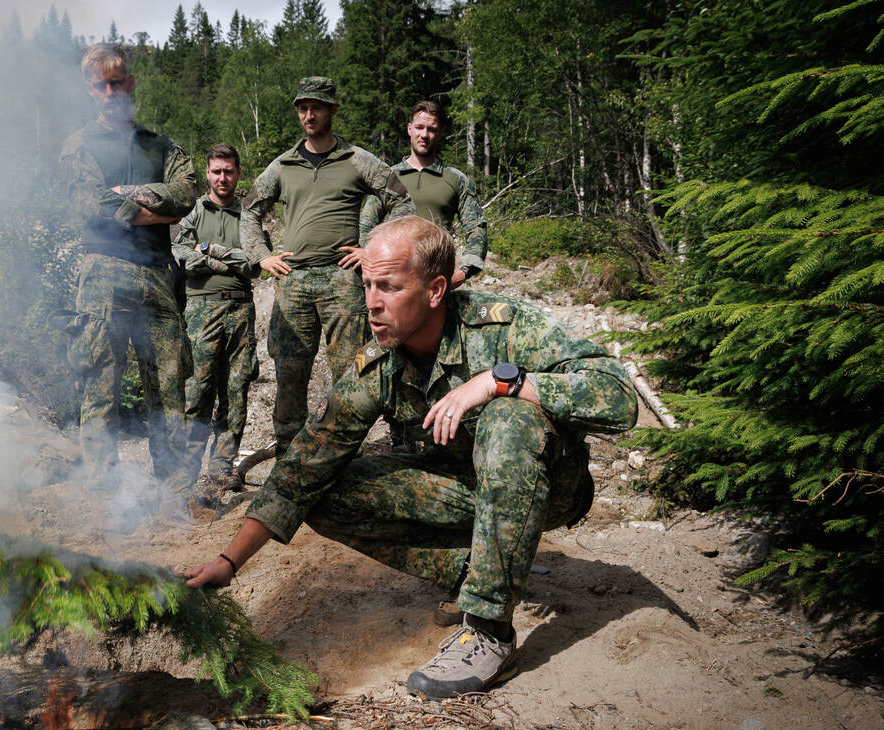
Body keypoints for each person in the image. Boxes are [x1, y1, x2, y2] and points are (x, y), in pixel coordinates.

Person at [185, 216, 637, 699]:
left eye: (390, 287)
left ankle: (488, 629)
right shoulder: (381, 361)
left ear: (436, 289)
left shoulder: (504, 327)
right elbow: (302, 470)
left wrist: (498, 382)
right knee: (325, 491)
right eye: (367, 285)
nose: (372, 303)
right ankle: (487, 564)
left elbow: (619, 397)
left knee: (508, 416)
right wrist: (229, 562)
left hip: (551, 489)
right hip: (467, 489)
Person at [59, 44, 199, 513]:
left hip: (158, 276)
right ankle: (102, 497)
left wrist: (128, 198)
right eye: (101, 85)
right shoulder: (79, 145)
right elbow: (89, 205)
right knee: (100, 384)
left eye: (117, 82)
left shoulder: (161, 146)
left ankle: (175, 493)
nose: (110, 92)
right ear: (89, 90)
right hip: (102, 274)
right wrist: (152, 214)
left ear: (131, 83)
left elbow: (185, 197)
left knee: (169, 385)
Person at [240, 76, 415, 455]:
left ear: (332, 110)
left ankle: (344, 453)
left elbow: (402, 203)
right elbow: (249, 212)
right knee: (289, 372)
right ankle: (289, 453)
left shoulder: (357, 160)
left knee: (350, 371)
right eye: (303, 108)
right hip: (293, 280)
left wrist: (371, 249)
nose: (309, 114)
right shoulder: (283, 165)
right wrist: (261, 256)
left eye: (317, 107)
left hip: (343, 280)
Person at [171, 144, 261, 493]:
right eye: (216, 171)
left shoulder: (249, 215)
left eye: (229, 171)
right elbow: (179, 252)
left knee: (235, 391)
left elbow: (254, 262)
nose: (222, 178)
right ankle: (187, 470)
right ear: (207, 173)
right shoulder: (193, 211)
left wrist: (207, 250)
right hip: (201, 309)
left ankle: (222, 467)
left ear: (239, 173)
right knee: (198, 391)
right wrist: (218, 263)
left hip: (240, 308)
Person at [359, 100, 487, 288]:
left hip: (436, 279)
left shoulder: (456, 179)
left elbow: (476, 228)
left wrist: (464, 271)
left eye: (432, 129)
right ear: (410, 129)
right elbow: (366, 227)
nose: (424, 135)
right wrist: (372, 266)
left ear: (440, 133)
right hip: (392, 279)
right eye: (419, 127)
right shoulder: (387, 177)